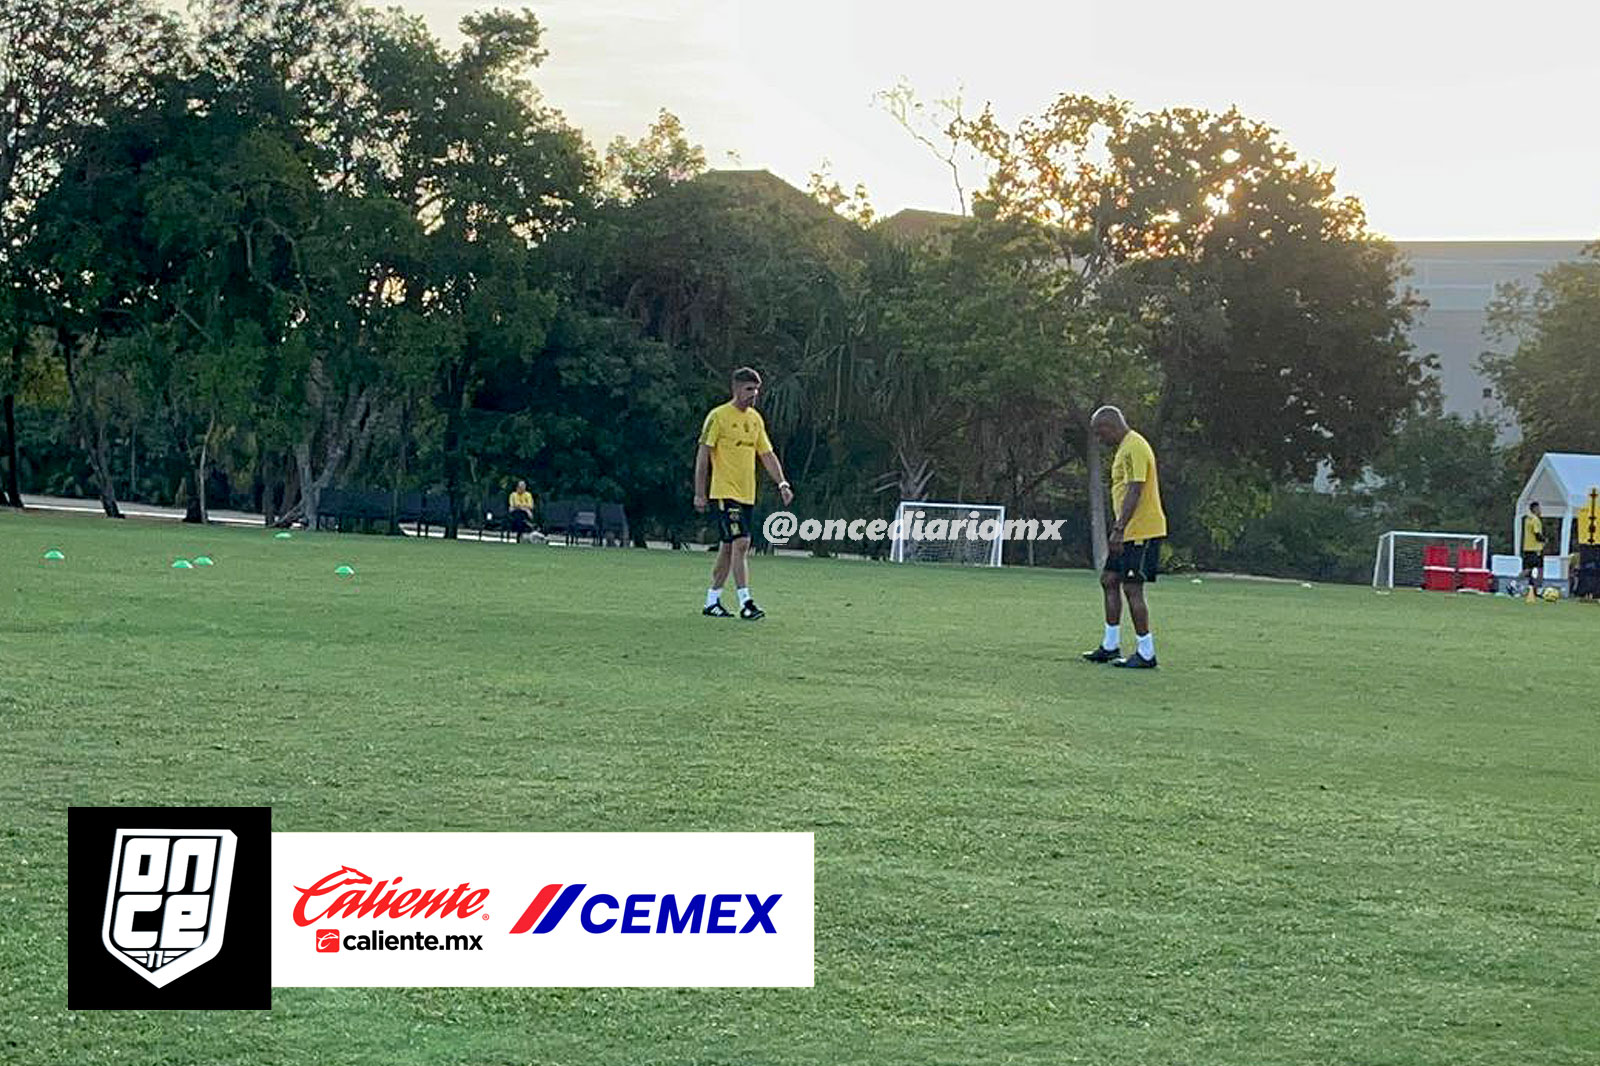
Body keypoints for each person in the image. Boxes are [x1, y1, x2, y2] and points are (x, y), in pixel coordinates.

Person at [693, 367, 794, 620]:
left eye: (757, 390)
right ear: (736, 389)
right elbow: (703, 455)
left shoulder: (755, 420)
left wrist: (782, 483)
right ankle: (745, 602)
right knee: (742, 543)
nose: (754, 394)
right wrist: (699, 492)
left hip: (747, 493)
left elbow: (767, 454)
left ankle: (712, 601)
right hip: (725, 493)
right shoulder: (718, 417)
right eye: (749, 389)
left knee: (728, 548)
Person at [1082, 406, 1167, 669]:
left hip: (1140, 531)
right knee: (1109, 580)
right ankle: (1110, 645)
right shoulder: (1125, 448)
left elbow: (1135, 489)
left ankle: (1146, 652)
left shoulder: (1134, 447)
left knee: (1131, 588)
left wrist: (1119, 528)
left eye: (1100, 432)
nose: (1099, 438)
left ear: (1111, 426)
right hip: (1129, 530)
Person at [1518, 501, 1545, 598]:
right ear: (1535, 509)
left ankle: (1529, 589)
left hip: (1527, 548)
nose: (1540, 511)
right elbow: (1537, 534)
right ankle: (1535, 589)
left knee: (1528, 569)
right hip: (1535, 549)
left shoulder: (1527, 519)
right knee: (1535, 570)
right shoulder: (1535, 520)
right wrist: (1545, 540)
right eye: (1539, 508)